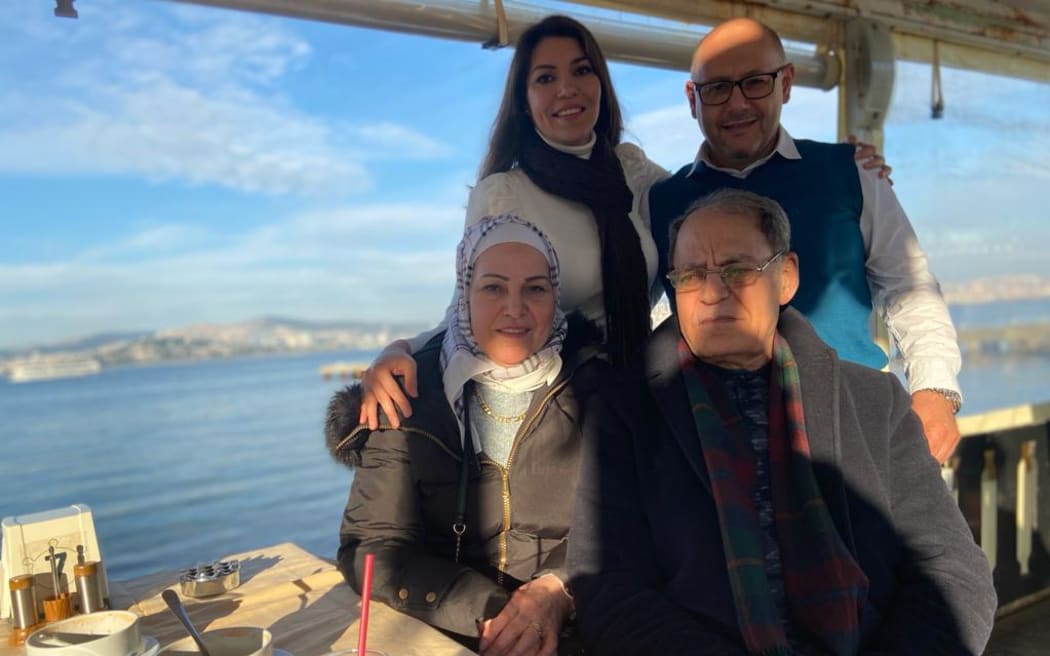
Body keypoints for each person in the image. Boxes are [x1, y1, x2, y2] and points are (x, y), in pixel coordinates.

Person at [355, 14, 889, 431]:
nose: (567, 88)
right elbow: (470, 308)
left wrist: (843, 162)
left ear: (601, 84)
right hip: (553, 411)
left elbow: (722, 188)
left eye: (582, 70)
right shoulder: (504, 193)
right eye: (546, 77)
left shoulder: (632, 173)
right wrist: (398, 350)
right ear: (525, 99)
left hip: (643, 393)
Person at [567, 189, 996, 656]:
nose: (712, 292)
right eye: (691, 275)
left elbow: (951, 568)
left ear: (786, 277)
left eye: (737, 269)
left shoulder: (874, 402)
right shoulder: (626, 411)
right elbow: (608, 585)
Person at [648, 17, 963, 462]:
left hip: (854, 429)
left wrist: (934, 389)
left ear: (787, 83)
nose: (737, 103)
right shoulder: (660, 200)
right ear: (692, 99)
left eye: (755, 82)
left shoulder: (850, 173)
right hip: (716, 445)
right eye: (718, 88)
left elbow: (909, 286)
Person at [327, 215, 607, 656]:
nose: (514, 308)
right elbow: (373, 546)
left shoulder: (599, 390)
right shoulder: (407, 398)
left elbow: (627, 522)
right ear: (465, 294)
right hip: (445, 634)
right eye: (493, 287)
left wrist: (558, 589)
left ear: (555, 296)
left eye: (535, 288)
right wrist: (492, 612)